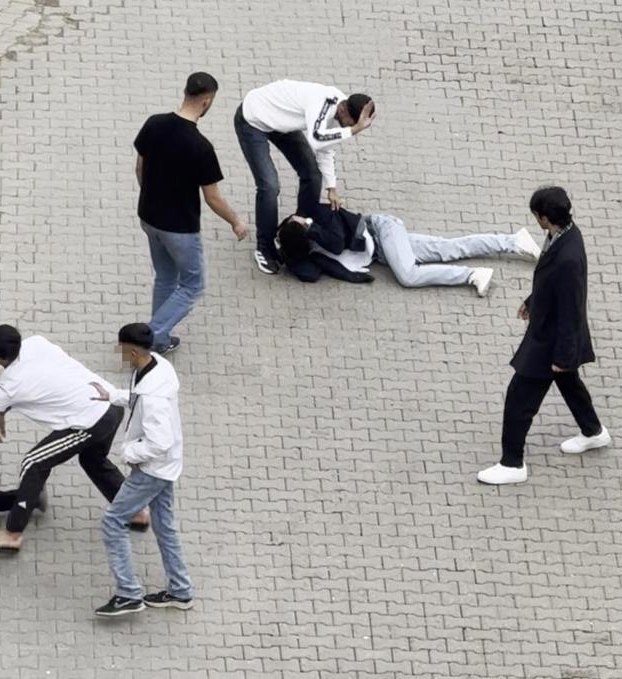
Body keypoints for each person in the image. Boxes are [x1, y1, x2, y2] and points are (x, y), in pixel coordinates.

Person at [0, 325, 146, 553]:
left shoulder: (10, 386)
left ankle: (12, 535)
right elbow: (15, 388)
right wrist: (1, 413)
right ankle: (134, 511)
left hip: (88, 422)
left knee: (33, 463)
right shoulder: (35, 343)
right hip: (110, 405)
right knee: (93, 461)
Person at [478, 187, 611, 484]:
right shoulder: (563, 235)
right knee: (568, 383)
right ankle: (593, 431)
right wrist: (532, 300)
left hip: (550, 343)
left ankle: (512, 464)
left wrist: (563, 356)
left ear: (545, 218)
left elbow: (571, 308)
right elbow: (551, 283)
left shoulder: (568, 258)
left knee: (519, 399)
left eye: (537, 215)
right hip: (552, 334)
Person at [134, 72, 247, 355]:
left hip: (148, 216)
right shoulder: (200, 147)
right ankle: (148, 338)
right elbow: (212, 198)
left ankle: (158, 341)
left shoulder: (154, 123)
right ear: (207, 102)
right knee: (193, 286)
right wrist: (236, 222)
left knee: (165, 277)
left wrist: (150, 197)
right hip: (180, 228)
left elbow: (140, 168)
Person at [93, 323, 192, 617]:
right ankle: (181, 590)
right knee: (164, 525)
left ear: (133, 350)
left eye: (121, 349)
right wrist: (112, 395)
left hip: (152, 469)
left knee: (113, 522)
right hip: (167, 466)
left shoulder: (154, 398)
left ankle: (128, 594)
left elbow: (159, 441)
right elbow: (138, 397)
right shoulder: (156, 366)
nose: (119, 354)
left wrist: (128, 453)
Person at [234, 79, 376, 275]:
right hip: (253, 120)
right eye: (351, 124)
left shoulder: (342, 110)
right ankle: (264, 248)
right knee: (269, 186)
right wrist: (353, 130)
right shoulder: (322, 103)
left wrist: (331, 187)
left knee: (312, 174)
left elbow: (326, 149)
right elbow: (317, 139)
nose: (350, 129)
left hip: (281, 123)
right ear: (344, 111)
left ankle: (298, 228)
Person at [276, 204, 543, 295]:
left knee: (408, 275)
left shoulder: (321, 215)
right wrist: (287, 256)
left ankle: (472, 275)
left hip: (382, 230)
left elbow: (334, 242)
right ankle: (513, 242)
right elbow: (309, 273)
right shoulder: (307, 248)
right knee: (447, 248)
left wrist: (311, 226)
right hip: (382, 249)